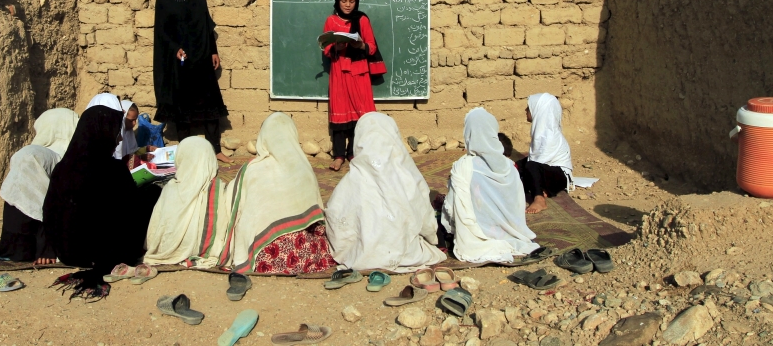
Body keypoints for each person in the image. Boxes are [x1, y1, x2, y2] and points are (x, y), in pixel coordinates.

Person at [42, 98, 147, 297]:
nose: (120, 139)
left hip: (66, 250)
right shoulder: (114, 171)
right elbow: (129, 216)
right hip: (105, 253)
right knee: (149, 196)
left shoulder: (62, 168)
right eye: (117, 132)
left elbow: (51, 213)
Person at [216, 113, 336, 275]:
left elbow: (235, 202)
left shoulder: (254, 169)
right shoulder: (304, 167)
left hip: (267, 256)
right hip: (310, 255)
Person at [325, 112, 446, 271]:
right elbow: (424, 217)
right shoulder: (407, 177)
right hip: (406, 251)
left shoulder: (352, 180)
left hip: (358, 256)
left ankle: (369, 254)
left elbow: (336, 218)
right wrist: (433, 237)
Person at [153, 0, 230, 163]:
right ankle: (186, 151)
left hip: (202, 56)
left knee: (210, 104)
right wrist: (175, 48)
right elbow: (162, 31)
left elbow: (206, 24)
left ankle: (216, 149)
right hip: (180, 61)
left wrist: (213, 50)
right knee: (182, 107)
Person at [440, 108, 539, 263]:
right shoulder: (509, 165)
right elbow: (517, 204)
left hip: (476, 236)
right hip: (513, 229)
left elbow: (454, 209)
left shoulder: (464, 166)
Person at [0, 108, 79, 264]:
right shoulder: (63, 157)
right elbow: (50, 204)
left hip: (20, 231)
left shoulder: (34, 153)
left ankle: (18, 248)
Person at [322, 0, 383, 171]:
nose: (347, 4)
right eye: (344, 1)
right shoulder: (331, 21)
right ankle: (339, 156)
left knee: (359, 113)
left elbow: (372, 46)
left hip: (358, 71)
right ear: (337, 1)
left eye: (351, 1)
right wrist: (336, 47)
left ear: (356, 2)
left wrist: (360, 45)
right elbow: (326, 48)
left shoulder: (362, 20)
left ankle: (354, 153)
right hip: (339, 70)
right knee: (340, 112)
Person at [142, 137, 227, 267]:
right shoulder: (219, 189)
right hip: (208, 249)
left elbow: (156, 230)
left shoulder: (170, 189)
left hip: (167, 247)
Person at [518, 93, 574, 214]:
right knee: (518, 166)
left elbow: (535, 165)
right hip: (545, 171)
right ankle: (541, 189)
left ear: (540, 110)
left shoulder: (550, 136)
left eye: (529, 107)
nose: (526, 110)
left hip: (559, 177)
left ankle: (539, 199)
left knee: (530, 166)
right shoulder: (540, 131)